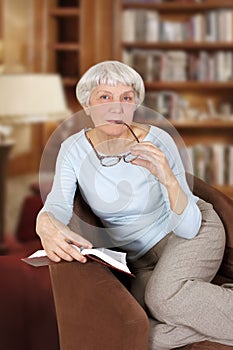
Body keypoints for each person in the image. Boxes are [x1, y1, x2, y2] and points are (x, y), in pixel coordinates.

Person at [36, 61, 233, 350]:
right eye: (104, 97)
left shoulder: (159, 140)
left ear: (135, 105)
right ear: (86, 104)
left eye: (126, 98)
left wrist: (167, 177)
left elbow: (189, 227)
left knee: (160, 300)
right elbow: (58, 203)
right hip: (137, 259)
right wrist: (44, 221)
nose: (116, 107)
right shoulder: (73, 149)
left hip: (191, 231)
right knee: (140, 328)